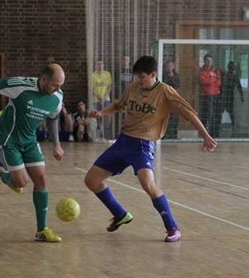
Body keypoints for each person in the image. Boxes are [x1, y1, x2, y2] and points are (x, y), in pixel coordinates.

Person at [85, 56, 217, 243]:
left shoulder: (165, 92)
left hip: (143, 145)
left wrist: (205, 136)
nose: (139, 81)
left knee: (147, 183)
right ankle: (120, 214)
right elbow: (118, 105)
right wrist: (101, 112)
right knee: (91, 180)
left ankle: (172, 228)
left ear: (153, 74)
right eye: (137, 77)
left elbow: (189, 114)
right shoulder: (133, 88)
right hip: (123, 141)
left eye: (143, 77)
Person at [0, 64, 66, 242]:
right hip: (7, 139)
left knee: (41, 179)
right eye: (55, 84)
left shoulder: (57, 97)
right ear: (43, 79)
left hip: (29, 140)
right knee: (21, 182)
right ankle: (4, 175)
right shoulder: (20, 86)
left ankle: (42, 230)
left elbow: (53, 118)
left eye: (61, 85)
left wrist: (57, 144)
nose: (59, 89)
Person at [199, 54, 221, 138]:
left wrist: (211, 79)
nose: (209, 62)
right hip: (206, 95)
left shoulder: (216, 71)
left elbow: (219, 83)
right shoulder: (202, 71)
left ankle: (214, 133)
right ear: (204, 61)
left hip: (216, 94)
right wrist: (213, 79)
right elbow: (204, 81)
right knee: (206, 114)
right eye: (207, 60)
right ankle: (204, 133)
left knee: (215, 114)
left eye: (210, 60)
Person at [92, 60, 112, 139]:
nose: (100, 65)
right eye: (98, 64)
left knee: (108, 116)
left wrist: (105, 96)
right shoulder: (93, 75)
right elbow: (91, 88)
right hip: (96, 99)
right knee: (98, 117)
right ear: (96, 66)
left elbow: (109, 87)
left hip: (106, 99)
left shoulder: (107, 74)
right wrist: (99, 97)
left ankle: (105, 134)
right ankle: (100, 135)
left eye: (101, 64)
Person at [221, 61, 244, 127]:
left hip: (230, 95)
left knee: (230, 111)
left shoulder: (235, 76)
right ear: (228, 67)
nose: (232, 68)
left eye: (233, 67)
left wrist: (242, 95)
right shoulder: (224, 75)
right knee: (221, 110)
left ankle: (233, 125)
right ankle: (218, 125)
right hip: (223, 95)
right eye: (231, 66)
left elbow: (239, 86)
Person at [163, 61, 181, 139]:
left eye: (171, 66)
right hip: (165, 99)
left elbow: (177, 87)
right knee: (166, 117)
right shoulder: (163, 76)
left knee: (174, 117)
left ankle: (174, 134)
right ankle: (165, 134)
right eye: (168, 66)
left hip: (174, 99)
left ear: (173, 67)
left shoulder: (176, 76)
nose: (169, 67)